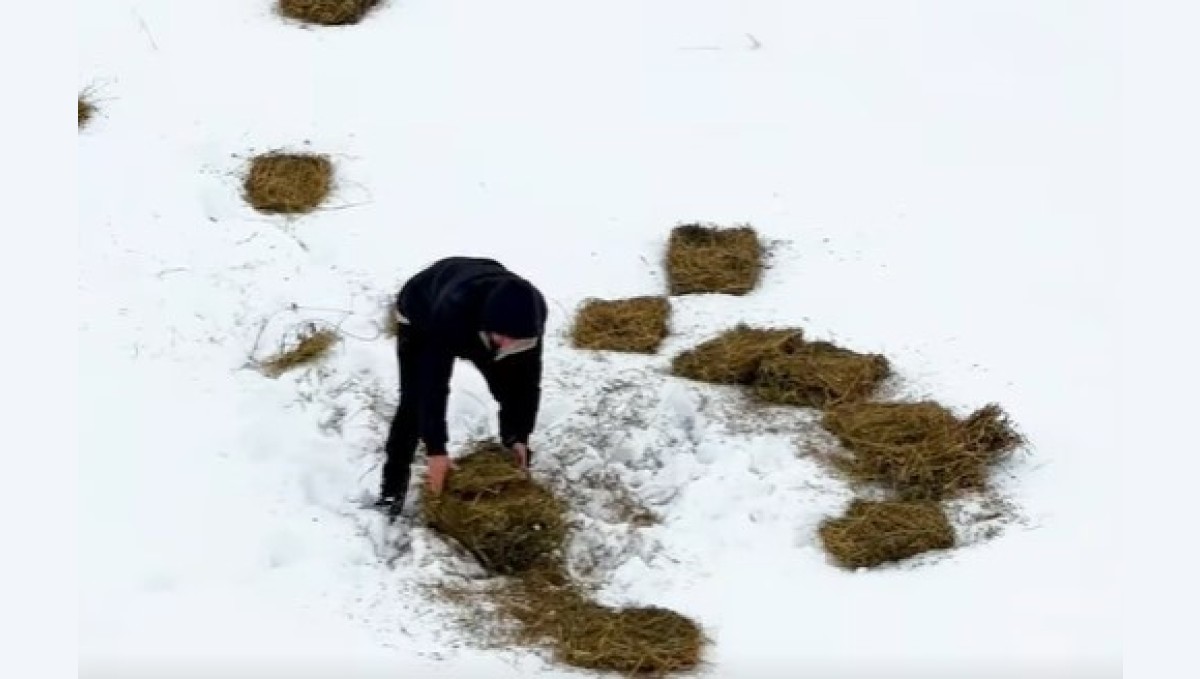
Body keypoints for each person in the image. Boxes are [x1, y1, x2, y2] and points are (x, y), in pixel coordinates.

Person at [376, 256, 548, 516]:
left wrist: (519, 436)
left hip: (482, 318)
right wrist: (436, 450)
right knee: (414, 402)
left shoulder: (529, 317)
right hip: (422, 312)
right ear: (490, 328)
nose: (506, 348)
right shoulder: (454, 311)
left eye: (516, 343)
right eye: (503, 340)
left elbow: (527, 384)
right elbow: (432, 385)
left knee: (511, 391)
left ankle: (510, 453)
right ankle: (392, 491)